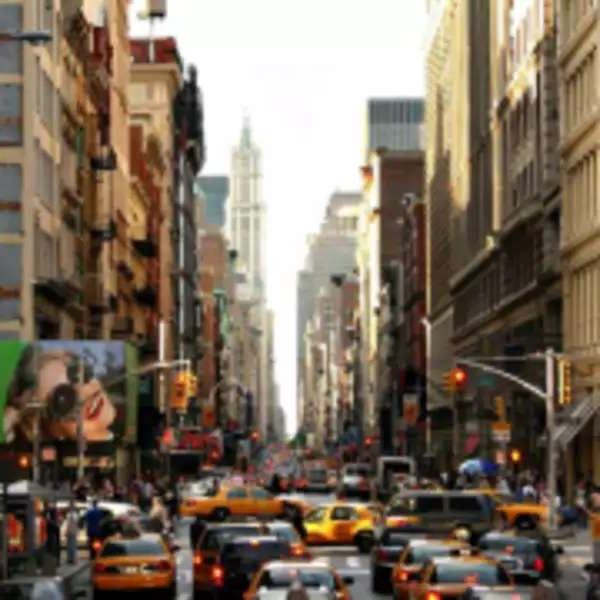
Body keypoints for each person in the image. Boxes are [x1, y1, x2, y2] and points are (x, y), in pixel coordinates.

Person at [65, 500, 79, 565]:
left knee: (72, 545)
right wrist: (67, 531)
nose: (69, 507)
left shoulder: (74, 514)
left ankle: (73, 559)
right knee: (69, 545)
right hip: (70, 531)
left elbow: (74, 523)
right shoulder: (70, 514)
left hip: (72, 531)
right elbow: (68, 524)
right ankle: (69, 559)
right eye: (69, 506)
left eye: (70, 506)